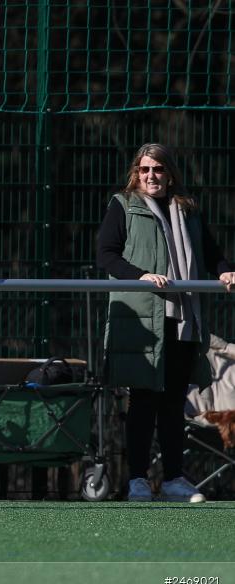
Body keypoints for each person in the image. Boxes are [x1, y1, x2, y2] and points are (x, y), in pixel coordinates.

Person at [98, 143, 235, 503]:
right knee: (143, 402)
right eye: (144, 170)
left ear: (169, 173)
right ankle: (138, 480)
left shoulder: (188, 211)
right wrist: (140, 275)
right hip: (145, 319)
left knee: (174, 403)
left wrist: (225, 272)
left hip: (182, 320)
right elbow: (106, 255)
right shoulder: (123, 205)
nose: (151, 176)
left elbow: (211, 253)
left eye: (157, 169)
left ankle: (175, 478)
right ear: (136, 174)